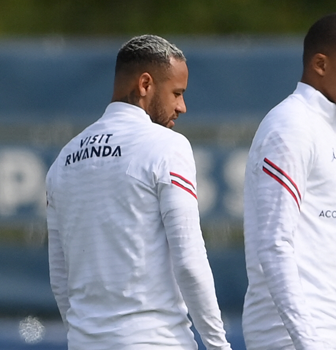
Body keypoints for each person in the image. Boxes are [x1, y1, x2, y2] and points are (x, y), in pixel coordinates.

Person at [46, 34, 232, 350]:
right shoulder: (168, 147)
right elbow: (189, 261)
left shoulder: (63, 160)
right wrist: (218, 345)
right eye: (177, 93)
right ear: (145, 84)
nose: (182, 107)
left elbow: (59, 279)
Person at [242, 13, 336, 350]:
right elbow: (274, 246)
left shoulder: (329, 128)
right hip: (291, 337)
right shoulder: (291, 126)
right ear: (321, 64)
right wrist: (308, 341)